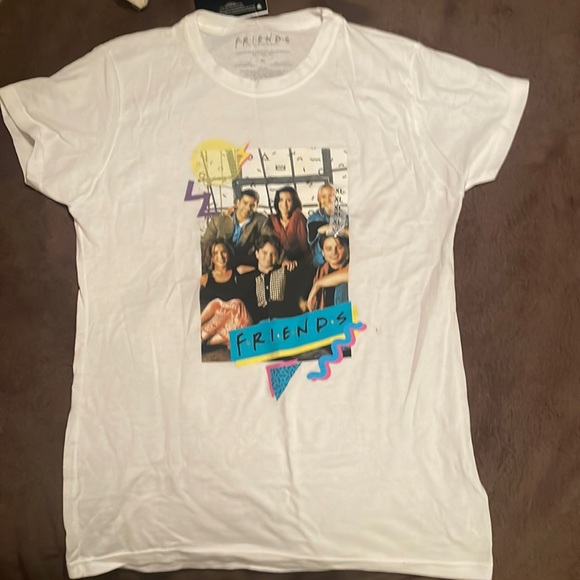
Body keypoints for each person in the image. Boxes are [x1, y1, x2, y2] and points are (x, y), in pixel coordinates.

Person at [240, 235, 312, 323]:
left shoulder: (285, 271)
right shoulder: (249, 277)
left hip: (285, 322)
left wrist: (301, 298)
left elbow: (309, 270)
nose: (268, 257)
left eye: (273, 254)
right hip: (260, 325)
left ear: (278, 257)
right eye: (264, 253)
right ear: (257, 254)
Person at [199, 240, 253, 348]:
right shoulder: (205, 279)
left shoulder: (239, 271)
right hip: (220, 332)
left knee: (236, 303)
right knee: (217, 304)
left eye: (223, 252)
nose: (220, 256)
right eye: (215, 253)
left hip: (239, 323)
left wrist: (283, 261)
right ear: (211, 258)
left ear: (228, 253)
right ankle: (202, 337)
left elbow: (263, 267)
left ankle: (201, 336)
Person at [201, 188, 273, 267]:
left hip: (244, 262)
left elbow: (270, 241)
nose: (248, 208)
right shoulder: (219, 219)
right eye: (245, 203)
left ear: (257, 206)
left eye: (252, 205)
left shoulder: (261, 221)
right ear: (238, 203)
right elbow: (205, 243)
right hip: (220, 260)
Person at [306, 183, 349, 267]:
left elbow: (351, 234)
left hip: (342, 258)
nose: (328, 199)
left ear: (335, 197)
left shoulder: (343, 215)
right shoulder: (314, 218)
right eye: (324, 196)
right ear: (319, 199)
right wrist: (343, 230)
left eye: (331, 195)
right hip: (321, 261)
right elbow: (321, 229)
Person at [307, 234, 350, 311]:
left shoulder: (354, 265)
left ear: (347, 248)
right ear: (323, 252)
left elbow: (350, 273)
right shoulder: (318, 272)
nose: (334, 253)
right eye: (329, 249)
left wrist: (318, 284)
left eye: (339, 247)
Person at [268, 185, 310, 264]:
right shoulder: (272, 219)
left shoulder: (298, 217)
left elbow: (304, 248)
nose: (284, 204)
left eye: (289, 200)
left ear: (294, 202)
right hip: (277, 260)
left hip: (298, 261)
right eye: (281, 200)